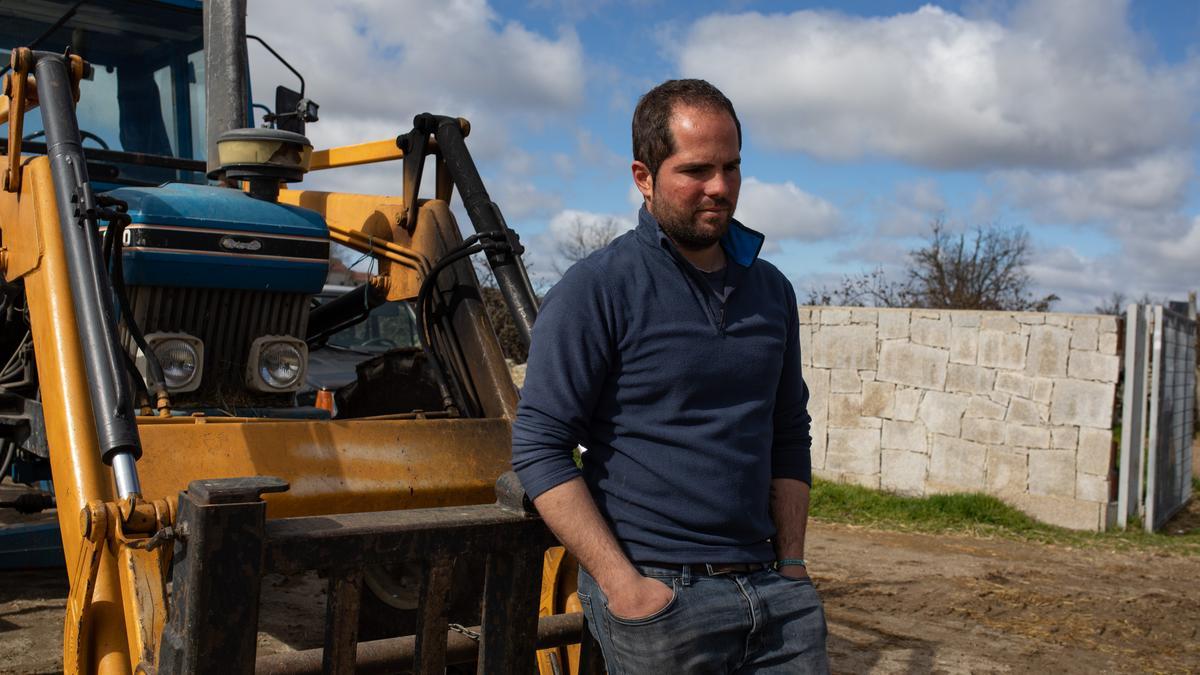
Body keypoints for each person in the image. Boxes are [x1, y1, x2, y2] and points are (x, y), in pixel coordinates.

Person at [512, 78, 829, 673]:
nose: (720, 187)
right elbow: (538, 445)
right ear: (643, 176)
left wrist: (792, 565)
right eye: (697, 170)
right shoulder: (596, 289)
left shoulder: (771, 291)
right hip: (660, 594)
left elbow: (788, 431)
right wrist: (623, 584)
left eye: (732, 168)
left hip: (774, 592)